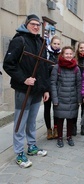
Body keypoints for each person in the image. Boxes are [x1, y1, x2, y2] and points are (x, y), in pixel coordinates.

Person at [3, 14, 48, 168]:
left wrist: (45, 89)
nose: (36, 27)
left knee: (31, 121)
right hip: (23, 89)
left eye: (38, 25)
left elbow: (43, 67)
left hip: (37, 90)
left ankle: (32, 146)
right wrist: (24, 79)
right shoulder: (19, 40)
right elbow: (8, 64)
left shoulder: (41, 42)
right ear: (27, 24)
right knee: (21, 121)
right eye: (33, 24)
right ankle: (19, 153)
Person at [51, 46, 82, 148]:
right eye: (66, 54)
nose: (68, 56)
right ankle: (60, 138)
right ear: (62, 55)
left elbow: (79, 85)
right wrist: (54, 99)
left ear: (73, 55)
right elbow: (53, 84)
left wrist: (79, 99)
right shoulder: (57, 67)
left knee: (70, 119)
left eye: (70, 54)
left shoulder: (76, 68)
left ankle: (69, 137)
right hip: (60, 98)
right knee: (60, 119)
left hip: (72, 98)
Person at [44, 35, 61, 140]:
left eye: (58, 44)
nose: (56, 45)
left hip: (58, 87)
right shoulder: (46, 54)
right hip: (47, 86)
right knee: (47, 109)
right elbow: (43, 71)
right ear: (51, 44)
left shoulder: (61, 55)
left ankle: (56, 128)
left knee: (56, 108)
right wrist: (45, 89)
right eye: (54, 43)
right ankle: (48, 129)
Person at [73, 41, 84, 136]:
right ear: (78, 48)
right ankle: (73, 126)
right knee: (75, 108)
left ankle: (83, 126)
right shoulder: (74, 59)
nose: (83, 49)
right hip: (75, 86)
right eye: (81, 47)